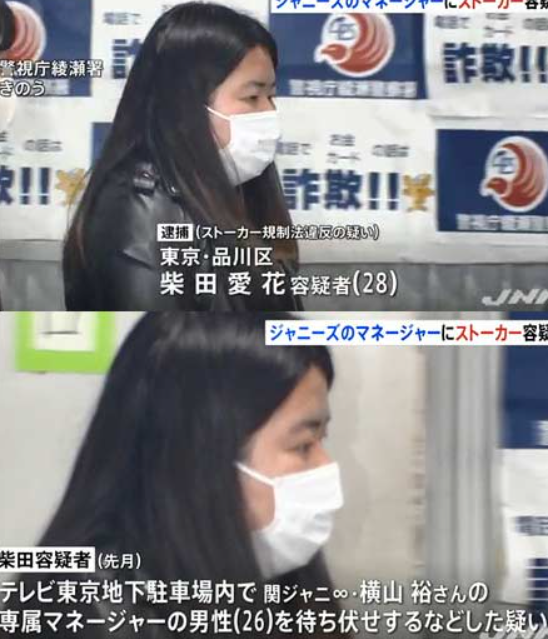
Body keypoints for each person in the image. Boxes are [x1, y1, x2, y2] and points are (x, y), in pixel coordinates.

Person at [9, 313, 349, 639]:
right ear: (202, 454)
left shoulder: (276, 571)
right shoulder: (86, 607)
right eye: (303, 445)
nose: (325, 465)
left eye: (323, 439)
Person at [63, 3, 303, 312]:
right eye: (252, 97)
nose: (269, 111)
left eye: (271, 96)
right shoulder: (140, 209)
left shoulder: (239, 184)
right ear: (186, 104)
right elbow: (157, 338)